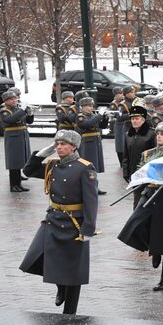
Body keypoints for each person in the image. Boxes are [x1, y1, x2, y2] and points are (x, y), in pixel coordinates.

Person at [20, 130, 98, 314]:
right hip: (53, 219)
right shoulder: (53, 165)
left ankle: (70, 312)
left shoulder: (85, 168)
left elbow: (91, 201)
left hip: (73, 224)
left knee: (73, 270)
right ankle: (60, 285)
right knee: (37, 256)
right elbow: (28, 171)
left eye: (63, 144)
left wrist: (88, 229)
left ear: (74, 147)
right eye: (57, 144)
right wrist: (41, 155)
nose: (59, 147)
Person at [118, 122, 163, 291]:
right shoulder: (147, 154)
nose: (159, 137)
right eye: (158, 134)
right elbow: (141, 171)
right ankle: (154, 248)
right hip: (148, 193)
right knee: (135, 224)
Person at [122, 106, 156, 208]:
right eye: (132, 119)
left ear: (143, 119)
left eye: (137, 119)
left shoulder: (151, 134)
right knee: (137, 202)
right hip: (134, 174)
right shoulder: (128, 135)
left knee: (149, 201)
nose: (134, 121)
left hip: (148, 174)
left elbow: (156, 154)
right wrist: (126, 173)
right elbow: (125, 156)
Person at [0, 91, 33, 192]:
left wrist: (30, 113)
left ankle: (18, 184)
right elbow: (10, 119)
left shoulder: (17, 109)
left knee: (19, 161)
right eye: (11, 99)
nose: (14, 100)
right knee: (13, 162)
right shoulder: (4, 111)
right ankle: (13, 185)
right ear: (6, 101)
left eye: (14, 98)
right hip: (12, 137)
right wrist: (22, 110)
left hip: (21, 136)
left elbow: (28, 121)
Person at [76, 97, 109, 195]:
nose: (91, 108)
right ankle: (87, 187)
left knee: (95, 166)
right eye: (88, 106)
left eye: (91, 106)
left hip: (96, 142)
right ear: (82, 107)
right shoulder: (80, 117)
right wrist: (99, 116)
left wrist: (105, 118)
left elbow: (102, 126)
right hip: (88, 144)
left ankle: (94, 186)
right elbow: (86, 124)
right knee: (88, 166)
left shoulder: (93, 116)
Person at [109, 87, 125, 165]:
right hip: (119, 125)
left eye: (122, 93)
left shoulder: (125, 101)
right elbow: (114, 114)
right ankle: (121, 161)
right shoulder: (114, 103)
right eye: (119, 94)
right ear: (116, 94)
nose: (121, 95)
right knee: (120, 144)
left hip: (126, 123)